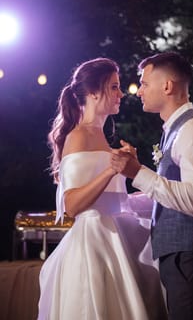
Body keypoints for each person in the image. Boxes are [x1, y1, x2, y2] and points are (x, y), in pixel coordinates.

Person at [37, 57, 167, 320]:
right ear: (94, 92)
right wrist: (112, 168)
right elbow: (72, 205)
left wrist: (146, 184)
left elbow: (113, 199)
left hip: (116, 235)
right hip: (93, 244)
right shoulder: (78, 136)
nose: (121, 94)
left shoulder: (100, 136)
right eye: (114, 87)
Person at [111, 51, 193, 320]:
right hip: (180, 253)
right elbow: (171, 194)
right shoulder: (176, 129)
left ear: (167, 86)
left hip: (191, 254)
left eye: (145, 83)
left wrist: (138, 172)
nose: (139, 91)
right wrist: (120, 202)